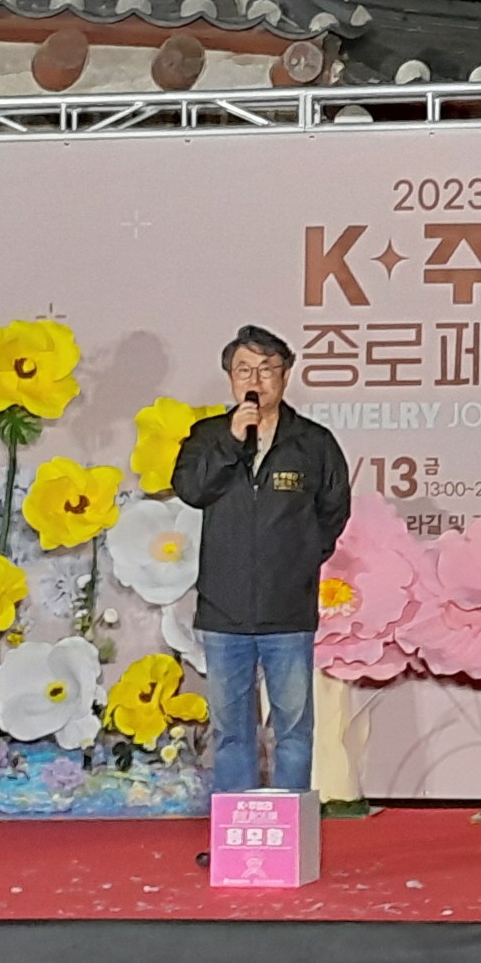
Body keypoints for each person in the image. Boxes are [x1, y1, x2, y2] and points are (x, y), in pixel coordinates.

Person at [173, 324, 351, 794]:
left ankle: (289, 827)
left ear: (285, 375)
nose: (255, 380)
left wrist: (299, 560)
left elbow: (334, 511)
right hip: (223, 609)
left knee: (293, 731)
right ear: (230, 379)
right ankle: (238, 828)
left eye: (266, 369)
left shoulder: (314, 443)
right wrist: (232, 441)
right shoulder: (208, 436)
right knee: (231, 732)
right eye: (244, 370)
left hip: (287, 611)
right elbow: (191, 489)